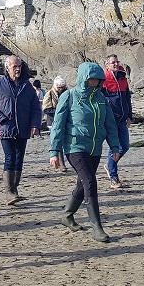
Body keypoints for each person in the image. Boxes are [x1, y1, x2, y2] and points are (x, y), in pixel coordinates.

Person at [48, 62, 121, 243]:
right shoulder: (69, 96)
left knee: (82, 184)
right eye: (91, 79)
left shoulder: (102, 99)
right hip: (74, 147)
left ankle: (66, 215)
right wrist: (54, 151)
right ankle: (97, 227)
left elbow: (110, 125)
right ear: (83, 79)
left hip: (95, 148)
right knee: (90, 181)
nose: (95, 83)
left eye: (98, 80)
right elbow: (57, 125)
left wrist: (115, 147)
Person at [0, 55, 42, 205]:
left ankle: (14, 189)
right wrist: (0, 117)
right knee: (10, 158)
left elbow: (36, 107)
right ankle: (9, 192)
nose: (17, 69)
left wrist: (35, 125)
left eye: (19, 66)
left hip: (23, 129)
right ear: (7, 67)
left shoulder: (27, 86)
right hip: (6, 128)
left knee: (19, 159)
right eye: (14, 66)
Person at [101, 55, 132, 188]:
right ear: (107, 65)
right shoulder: (103, 80)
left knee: (124, 146)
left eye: (117, 62)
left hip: (123, 119)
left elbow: (127, 99)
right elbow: (101, 101)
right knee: (115, 147)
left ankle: (109, 165)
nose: (115, 64)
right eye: (112, 62)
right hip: (110, 120)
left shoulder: (123, 78)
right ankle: (114, 178)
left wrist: (130, 116)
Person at [41, 75, 69, 172]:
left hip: (66, 121)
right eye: (59, 87)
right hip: (53, 122)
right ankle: (61, 164)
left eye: (62, 87)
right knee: (57, 142)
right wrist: (59, 112)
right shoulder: (49, 94)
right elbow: (46, 108)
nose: (60, 89)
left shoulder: (67, 93)